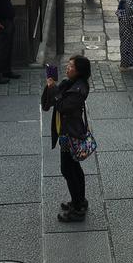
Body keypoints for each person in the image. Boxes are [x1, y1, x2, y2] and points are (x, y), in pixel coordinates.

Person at [42, 55, 93, 222]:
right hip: (65, 133)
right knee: (73, 168)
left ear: (78, 71)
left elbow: (63, 106)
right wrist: (52, 85)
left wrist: (54, 89)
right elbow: (48, 104)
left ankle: (78, 209)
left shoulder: (79, 90)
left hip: (70, 135)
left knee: (68, 169)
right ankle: (79, 201)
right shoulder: (70, 83)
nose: (67, 68)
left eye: (71, 66)